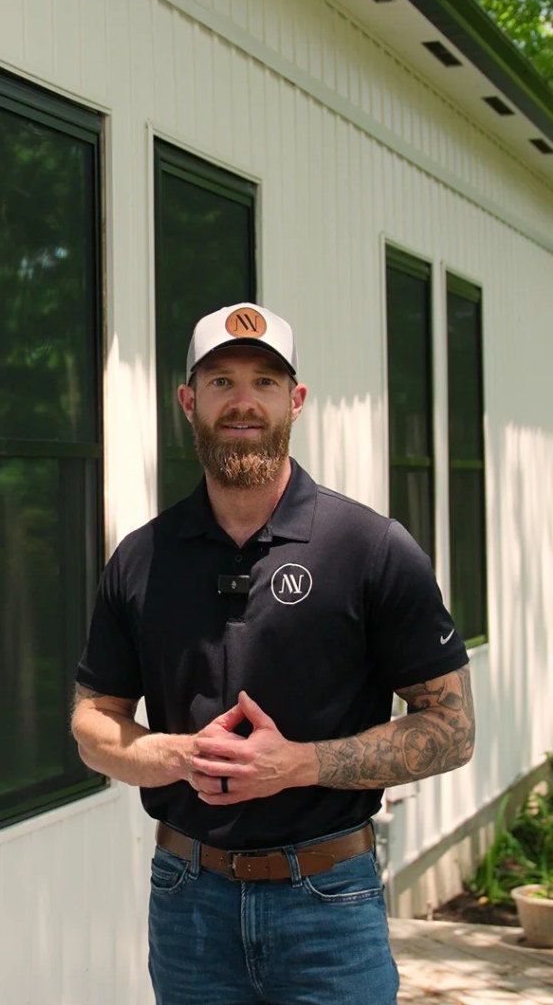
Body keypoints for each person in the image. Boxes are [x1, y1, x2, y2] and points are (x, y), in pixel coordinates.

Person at [70, 302, 475, 1005]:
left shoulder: (370, 549)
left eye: (264, 380)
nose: (243, 401)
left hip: (329, 906)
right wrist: (174, 756)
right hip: (187, 904)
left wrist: (299, 764)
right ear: (189, 402)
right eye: (221, 382)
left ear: (296, 400)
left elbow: (453, 727)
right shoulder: (142, 560)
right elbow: (93, 720)